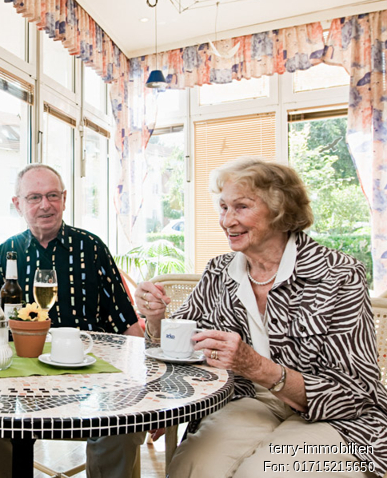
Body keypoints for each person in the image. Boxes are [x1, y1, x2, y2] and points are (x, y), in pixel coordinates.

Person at [135, 157, 387, 478]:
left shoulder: (338, 274)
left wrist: (256, 366)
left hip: (336, 416)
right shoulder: (219, 271)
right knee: (193, 466)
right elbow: (178, 349)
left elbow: (357, 390)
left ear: (281, 211)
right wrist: (155, 319)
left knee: (264, 472)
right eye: (224, 207)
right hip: (250, 400)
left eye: (241, 207)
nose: (227, 221)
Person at [0, 163, 145, 478]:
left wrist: (141, 386)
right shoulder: (5, 254)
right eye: (34, 197)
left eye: (52, 195)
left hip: (91, 382)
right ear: (18, 204)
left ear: (64, 199)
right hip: (19, 385)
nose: (45, 205)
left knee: (123, 426)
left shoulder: (91, 249)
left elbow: (127, 324)